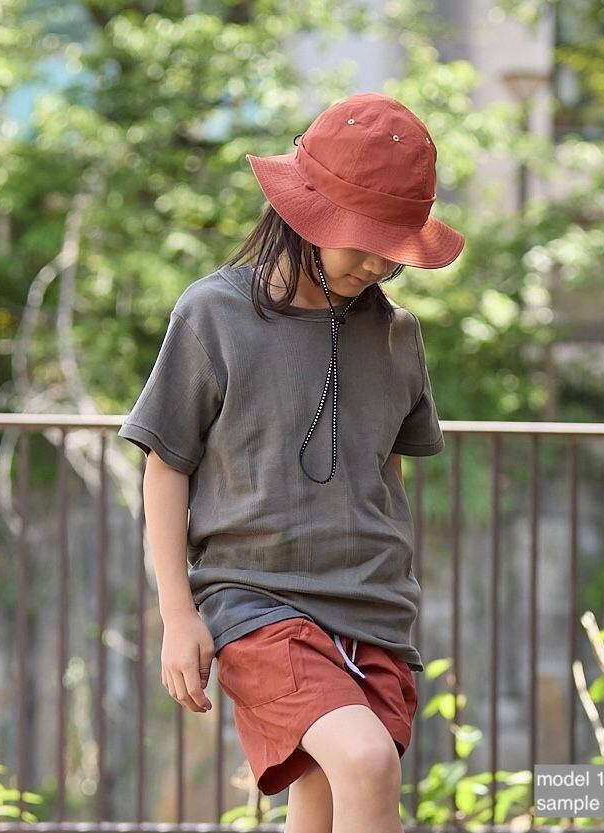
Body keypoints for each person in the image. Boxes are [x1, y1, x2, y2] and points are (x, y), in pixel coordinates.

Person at [118, 92, 465, 833]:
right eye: (363, 239)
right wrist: (178, 615)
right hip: (257, 598)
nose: (378, 262)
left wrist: (395, 584)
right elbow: (165, 463)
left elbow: (387, 473)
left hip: (374, 608)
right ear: (303, 213)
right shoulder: (212, 314)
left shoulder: (397, 335)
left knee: (323, 797)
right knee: (367, 762)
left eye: (392, 247)